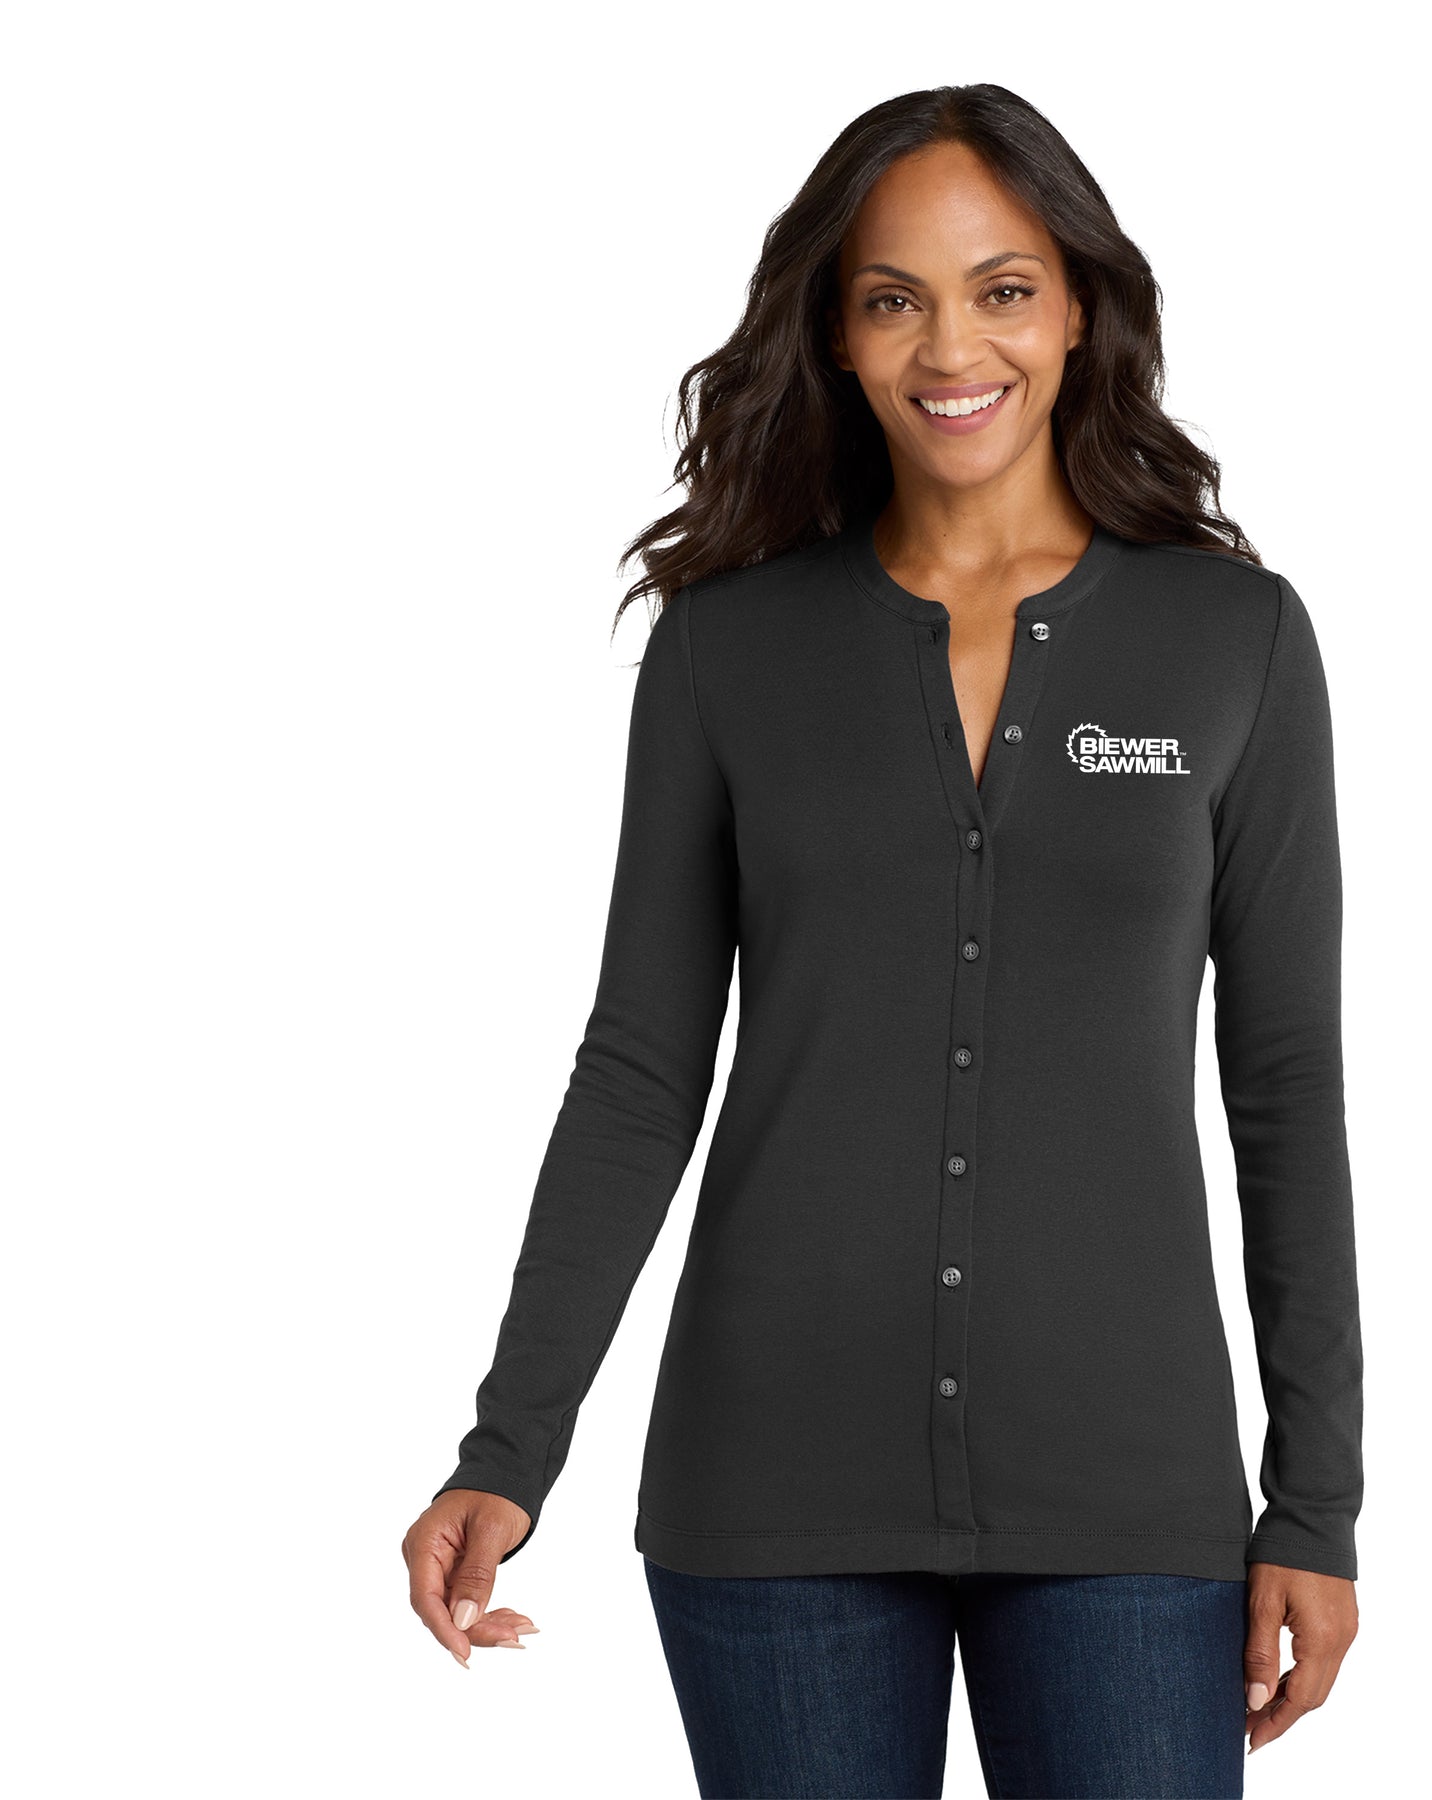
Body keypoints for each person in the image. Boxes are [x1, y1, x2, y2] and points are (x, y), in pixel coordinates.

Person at [402, 82, 1363, 1800]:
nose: (951, 346)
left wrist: (1318, 1502)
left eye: (1003, 289)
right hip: (770, 1485)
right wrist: (509, 1444)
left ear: (1078, 310)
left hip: (1128, 1490)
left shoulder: (1235, 641)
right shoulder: (726, 649)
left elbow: (1284, 1084)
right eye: (893, 298)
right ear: (837, 335)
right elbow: (640, 1069)